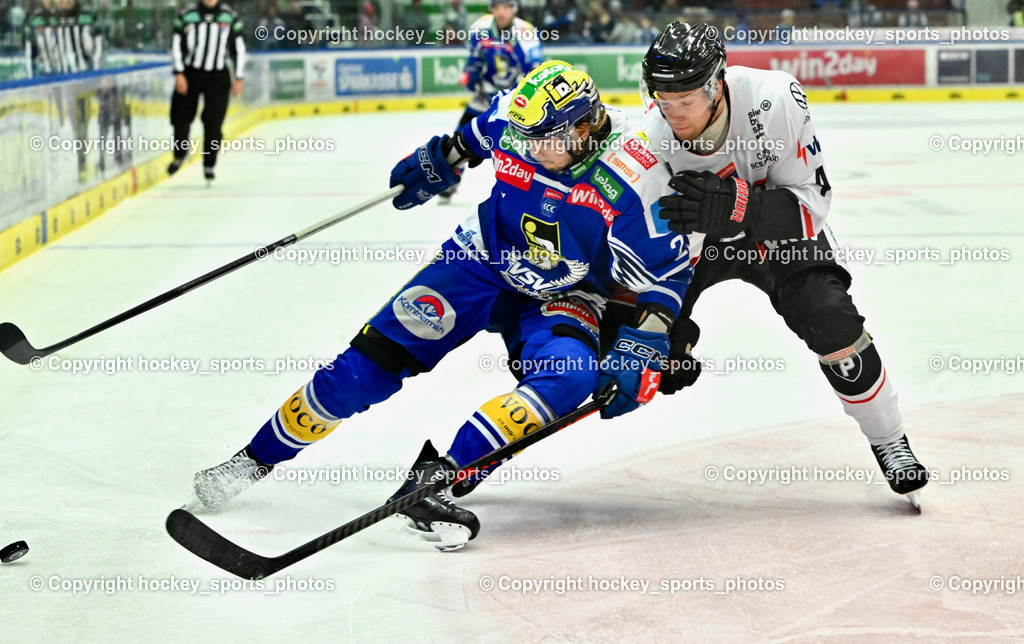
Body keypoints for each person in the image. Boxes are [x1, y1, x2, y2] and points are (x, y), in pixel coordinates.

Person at [189, 61, 700, 550]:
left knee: (570, 377)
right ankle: (249, 462)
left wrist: (644, 344)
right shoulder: (519, 122)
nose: (530, 147)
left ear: (585, 128)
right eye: (526, 137)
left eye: (545, 140)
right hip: (476, 262)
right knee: (363, 371)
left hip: (563, 294)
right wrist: (441, 158)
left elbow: (668, 272)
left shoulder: (637, 172)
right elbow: (475, 137)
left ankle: (437, 481)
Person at [633, 22, 929, 507]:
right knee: (642, 337)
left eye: (685, 101)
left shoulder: (775, 100)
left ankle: (889, 438)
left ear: (715, 85)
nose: (674, 114)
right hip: (695, 246)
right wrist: (665, 326)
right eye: (664, 101)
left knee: (833, 324)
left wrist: (739, 207)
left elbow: (812, 205)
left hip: (774, 235)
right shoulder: (648, 137)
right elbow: (651, 245)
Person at [438, 0, 542, 201]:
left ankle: (533, 188)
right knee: (461, 134)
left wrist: (523, 98)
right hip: (486, 94)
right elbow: (475, 58)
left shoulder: (525, 33)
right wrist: (471, 74)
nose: (501, 12)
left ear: (514, 9)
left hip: (516, 99)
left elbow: (534, 70)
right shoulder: (481, 27)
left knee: (524, 144)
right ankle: (451, 180)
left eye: (506, 7)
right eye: (497, 7)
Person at [167, 0, 246, 182]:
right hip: (190, 73)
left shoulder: (229, 16)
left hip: (218, 75)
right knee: (181, 117)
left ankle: (209, 163)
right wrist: (179, 72)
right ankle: (180, 154)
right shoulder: (187, 15)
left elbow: (239, 49)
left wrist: (239, 77)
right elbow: (175, 45)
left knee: (213, 121)